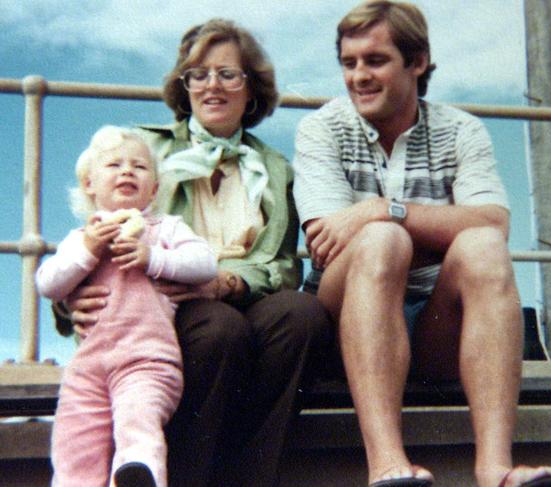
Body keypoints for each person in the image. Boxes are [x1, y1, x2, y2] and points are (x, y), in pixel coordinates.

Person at [293, 2, 551, 487]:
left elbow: (492, 223)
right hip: (346, 324)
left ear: (417, 62)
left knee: (480, 246)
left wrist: (385, 209)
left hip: (434, 328)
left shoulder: (461, 130)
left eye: (374, 60)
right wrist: (430, 232)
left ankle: (495, 469)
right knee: (382, 243)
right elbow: (327, 245)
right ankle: (385, 466)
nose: (358, 76)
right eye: (349, 62)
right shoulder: (323, 128)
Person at [55, 18, 332, 487]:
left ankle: (248, 478)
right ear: (184, 88)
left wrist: (232, 281)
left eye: (228, 74)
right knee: (218, 328)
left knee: (302, 315)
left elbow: (283, 264)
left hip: (242, 296)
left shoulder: (275, 168)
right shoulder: (147, 148)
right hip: (163, 306)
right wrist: (67, 302)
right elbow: (91, 231)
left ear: (251, 89)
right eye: (198, 75)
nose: (212, 86)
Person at [38, 126, 218, 487]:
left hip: (147, 359)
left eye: (139, 166)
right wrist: (89, 250)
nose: (126, 171)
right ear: (89, 184)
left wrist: (152, 258)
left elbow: (205, 263)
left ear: (153, 188)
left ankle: (138, 474)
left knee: (138, 420)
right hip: (88, 367)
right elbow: (48, 283)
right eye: (114, 165)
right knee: (75, 441)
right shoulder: (81, 238)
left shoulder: (163, 228)